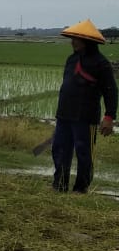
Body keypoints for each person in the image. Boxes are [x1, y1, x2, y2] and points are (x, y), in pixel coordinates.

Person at [50, 19, 116, 194]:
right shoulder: (71, 59)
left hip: (85, 117)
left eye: (76, 38)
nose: (72, 41)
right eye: (72, 38)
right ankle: (60, 185)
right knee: (60, 149)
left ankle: (80, 189)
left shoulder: (100, 63)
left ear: (87, 41)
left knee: (84, 154)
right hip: (64, 115)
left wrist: (109, 117)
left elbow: (111, 91)